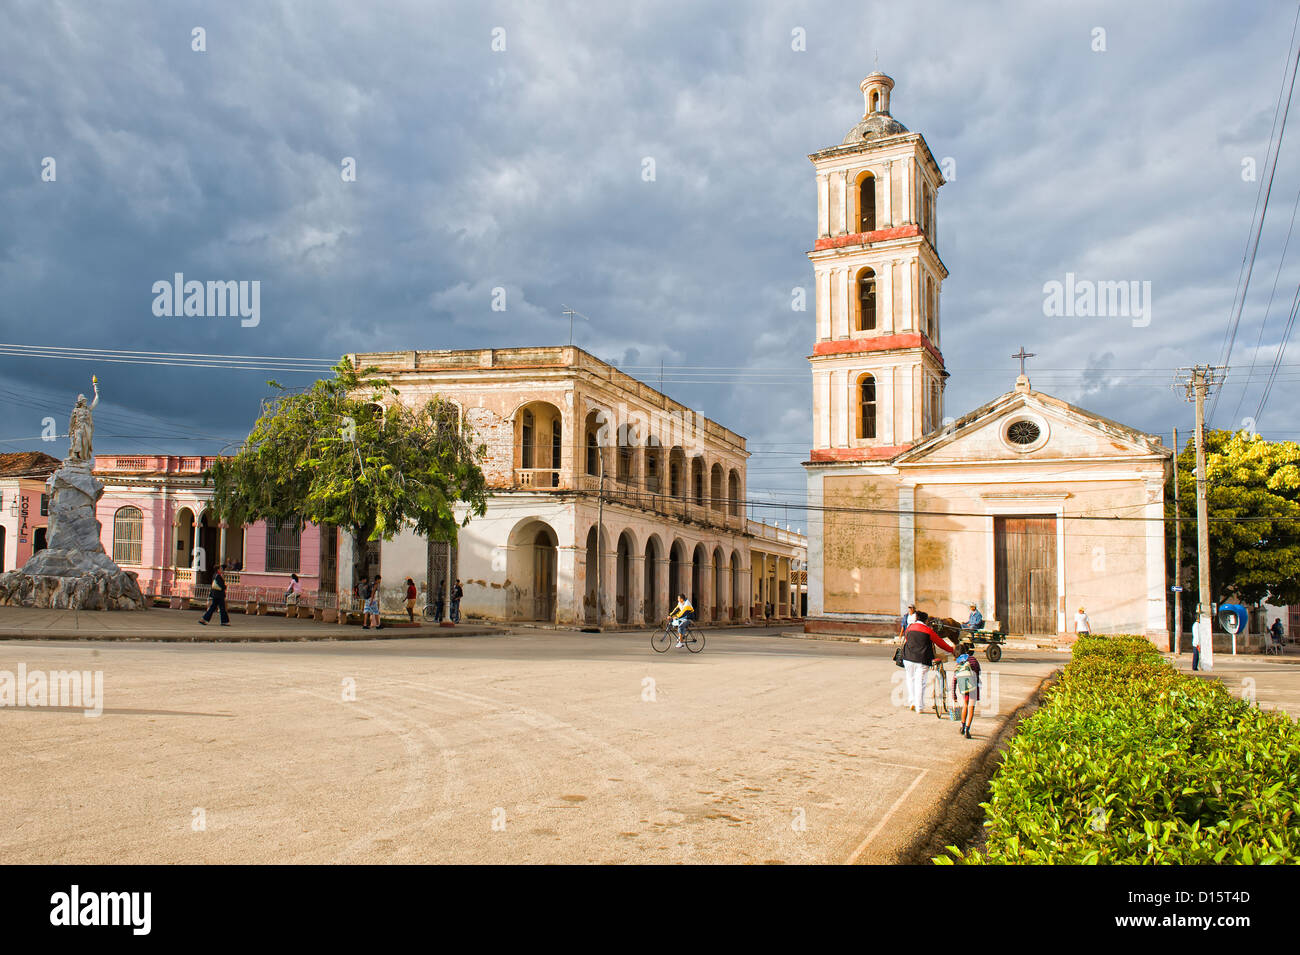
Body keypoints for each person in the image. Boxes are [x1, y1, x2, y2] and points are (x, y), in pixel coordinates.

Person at [901, 610, 955, 713]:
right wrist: (952, 650)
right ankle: (919, 707)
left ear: (916, 618)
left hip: (907, 658)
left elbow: (907, 640)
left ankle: (912, 701)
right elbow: (940, 643)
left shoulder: (909, 628)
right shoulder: (927, 630)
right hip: (922, 659)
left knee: (910, 679)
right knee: (920, 682)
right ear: (926, 620)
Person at [952, 648, 982, 739]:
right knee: (971, 707)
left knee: (965, 704)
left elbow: (954, 679)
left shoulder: (958, 663)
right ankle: (967, 730)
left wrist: (954, 694)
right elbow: (978, 671)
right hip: (973, 685)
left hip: (963, 686)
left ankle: (962, 726)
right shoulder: (973, 659)